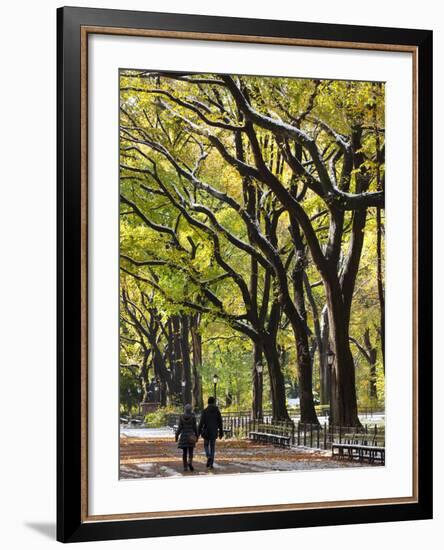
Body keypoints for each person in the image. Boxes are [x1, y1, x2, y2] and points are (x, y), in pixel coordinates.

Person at [198, 396, 223, 469]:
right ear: (214, 402)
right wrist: (221, 432)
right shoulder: (217, 411)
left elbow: (201, 423)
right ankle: (211, 463)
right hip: (214, 431)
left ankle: (208, 456)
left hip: (206, 431)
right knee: (212, 447)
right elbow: (220, 422)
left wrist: (198, 432)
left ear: (208, 402)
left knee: (206, 445)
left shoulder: (205, 411)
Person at [175, 404, 198, 472]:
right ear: (191, 410)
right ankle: (190, 462)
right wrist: (197, 435)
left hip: (184, 436)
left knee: (184, 452)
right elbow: (195, 427)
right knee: (190, 452)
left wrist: (176, 435)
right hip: (191, 436)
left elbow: (179, 428)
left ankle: (185, 467)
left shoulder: (181, 417)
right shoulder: (193, 417)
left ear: (185, 409)